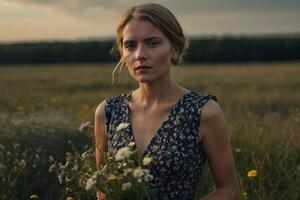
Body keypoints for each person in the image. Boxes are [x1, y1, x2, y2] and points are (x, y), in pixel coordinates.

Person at [94, 3, 239, 200]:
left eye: (152, 43)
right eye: (130, 45)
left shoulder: (202, 111)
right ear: (122, 52)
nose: (140, 55)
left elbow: (228, 189)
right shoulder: (108, 111)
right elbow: (104, 190)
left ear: (175, 50)